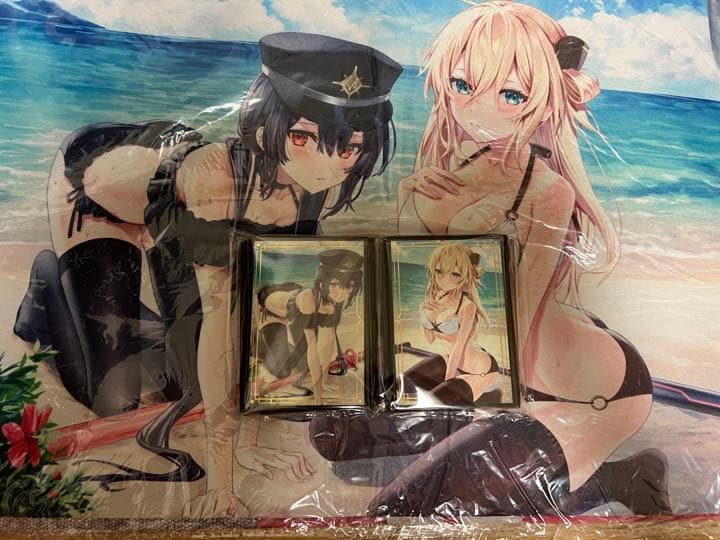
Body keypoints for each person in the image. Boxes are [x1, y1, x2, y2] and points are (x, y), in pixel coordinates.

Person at [13, 32, 402, 516]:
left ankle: (131, 311)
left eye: (350, 149)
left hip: (188, 211)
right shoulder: (215, 181)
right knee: (115, 398)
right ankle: (45, 290)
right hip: (97, 192)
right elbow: (222, 334)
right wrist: (222, 483)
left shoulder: (317, 181)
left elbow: (261, 313)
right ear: (269, 126)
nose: (330, 168)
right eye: (303, 139)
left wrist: (255, 439)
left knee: (185, 382)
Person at [310, 2, 670, 517]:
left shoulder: (547, 193)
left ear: (544, 96)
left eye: (511, 95)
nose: (477, 110)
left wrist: (468, 405)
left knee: (397, 513)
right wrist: (409, 202)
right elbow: (413, 282)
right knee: (333, 434)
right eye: (462, 85)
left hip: (583, 392)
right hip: (490, 362)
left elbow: (516, 324)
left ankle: (624, 475)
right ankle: (473, 449)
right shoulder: (446, 169)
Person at [255, 248, 364, 404]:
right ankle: (257, 337)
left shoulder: (334, 299)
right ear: (322, 281)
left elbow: (328, 344)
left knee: (304, 365)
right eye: (335, 284)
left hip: (293, 303)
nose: (341, 293)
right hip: (271, 307)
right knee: (284, 370)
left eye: (349, 286)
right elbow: (313, 349)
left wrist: (324, 383)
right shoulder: (309, 300)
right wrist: (318, 398)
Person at [403, 243, 500, 405]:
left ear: (465, 277)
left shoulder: (467, 306)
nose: (443, 279)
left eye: (454, 274)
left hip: (479, 371)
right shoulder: (438, 298)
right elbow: (430, 339)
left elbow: (458, 347)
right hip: (451, 360)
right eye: (439, 271)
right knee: (403, 384)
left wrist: (447, 381)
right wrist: (423, 311)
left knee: (434, 404)